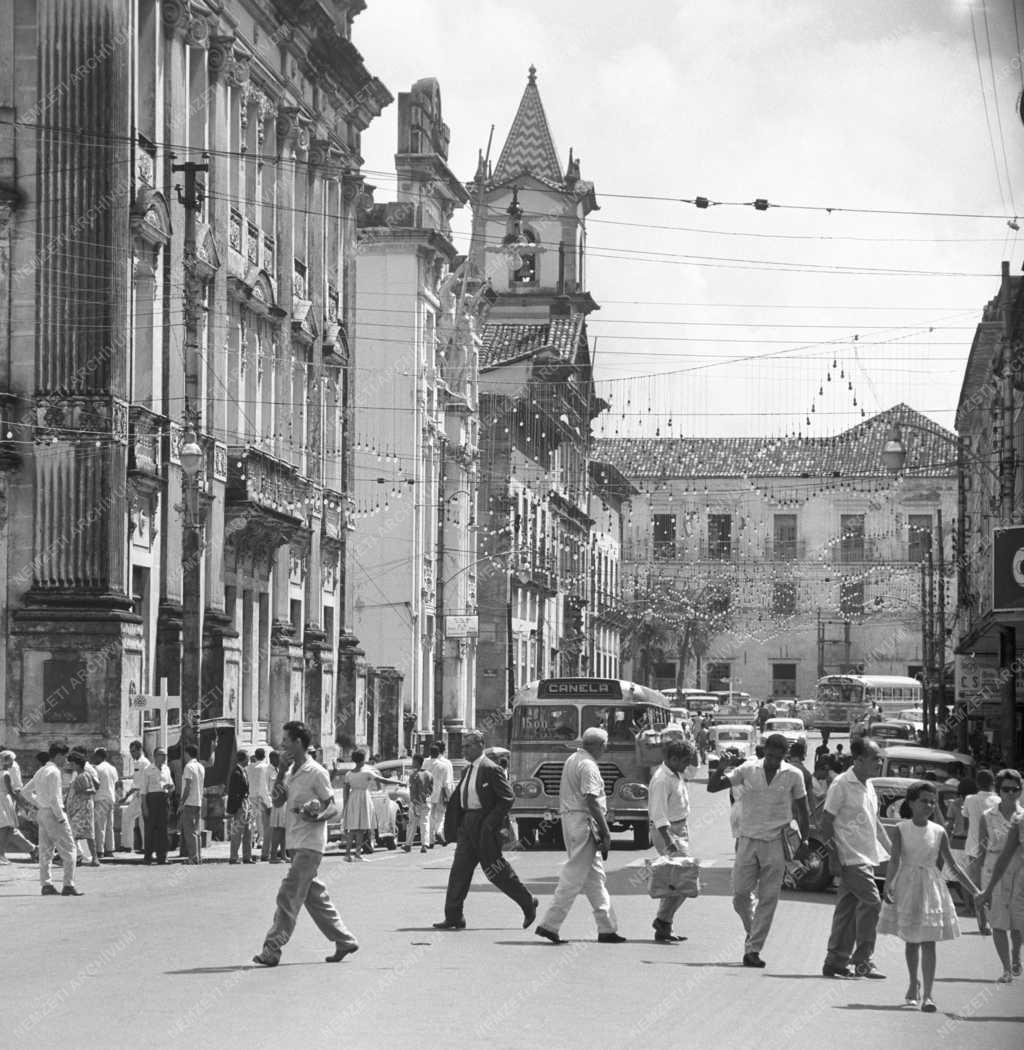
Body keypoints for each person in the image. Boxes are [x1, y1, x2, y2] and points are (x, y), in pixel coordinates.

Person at [253, 720, 359, 967]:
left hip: (310, 844)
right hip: (295, 842)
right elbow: (278, 802)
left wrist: (317, 815)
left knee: (288, 895)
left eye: (286, 741)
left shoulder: (317, 772)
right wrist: (280, 771)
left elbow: (332, 806)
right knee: (315, 897)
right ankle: (344, 940)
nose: (282, 745)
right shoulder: (290, 773)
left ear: (298, 743)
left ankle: (272, 948)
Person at [708, 733, 809, 968]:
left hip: (776, 842)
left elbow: (803, 810)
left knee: (768, 898)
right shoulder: (748, 769)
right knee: (740, 895)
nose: (773, 761)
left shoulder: (794, 775)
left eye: (778, 757)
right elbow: (714, 787)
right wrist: (720, 768)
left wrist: (803, 842)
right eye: (770, 756)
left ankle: (753, 949)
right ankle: (752, 931)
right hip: (748, 839)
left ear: (785, 755)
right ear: (764, 752)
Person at [879, 780, 980, 1012]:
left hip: (931, 887)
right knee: (912, 940)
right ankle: (913, 982)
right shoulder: (901, 829)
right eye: (924, 801)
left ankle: (929, 995)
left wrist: (975, 890)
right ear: (912, 803)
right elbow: (894, 860)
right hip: (907, 884)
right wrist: (888, 886)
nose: (929, 806)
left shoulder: (939, 831)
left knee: (929, 940)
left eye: (932, 802)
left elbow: (952, 865)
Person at [434, 729, 537, 932]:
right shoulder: (467, 770)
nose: (464, 750)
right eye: (463, 746)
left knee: (495, 871)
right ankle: (454, 916)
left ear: (480, 745)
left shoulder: (491, 768)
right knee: (459, 872)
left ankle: (527, 902)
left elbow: (507, 798)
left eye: (468, 746)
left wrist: (490, 823)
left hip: (484, 825)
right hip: (468, 824)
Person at [534, 727, 620, 945]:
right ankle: (549, 924)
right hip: (583, 822)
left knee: (595, 878)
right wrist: (606, 831)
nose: (605, 749)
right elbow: (591, 800)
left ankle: (607, 928)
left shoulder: (573, 758)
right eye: (604, 745)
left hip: (573, 820)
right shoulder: (588, 765)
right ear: (597, 745)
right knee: (573, 877)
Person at [819, 737, 892, 979]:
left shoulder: (868, 784)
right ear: (859, 759)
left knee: (847, 911)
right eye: (875, 758)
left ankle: (835, 962)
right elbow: (826, 822)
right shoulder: (841, 784)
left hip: (866, 857)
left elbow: (875, 822)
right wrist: (833, 857)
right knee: (872, 903)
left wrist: (893, 851)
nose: (879, 762)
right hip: (849, 857)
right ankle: (863, 960)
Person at [975, 768, 1024, 982]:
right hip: (993, 868)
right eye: (1006, 789)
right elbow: (981, 850)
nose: (1011, 794)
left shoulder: (1022, 817)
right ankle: (1006, 968)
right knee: (997, 921)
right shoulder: (988, 816)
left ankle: (1016, 954)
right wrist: (980, 885)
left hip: (1019, 870)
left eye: (1016, 789)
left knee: (1017, 920)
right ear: (998, 790)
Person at [647, 739, 698, 944]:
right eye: (684, 761)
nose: (687, 765)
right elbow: (658, 815)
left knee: (677, 881)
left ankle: (664, 924)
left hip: (680, 828)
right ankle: (662, 921)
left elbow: (694, 771)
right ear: (672, 759)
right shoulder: (661, 779)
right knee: (684, 879)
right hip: (668, 832)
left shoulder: (676, 773)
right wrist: (670, 842)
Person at [21, 742, 81, 896]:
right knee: (69, 850)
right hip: (54, 813)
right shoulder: (54, 772)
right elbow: (54, 798)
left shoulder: (41, 771)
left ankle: (46, 884)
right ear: (58, 756)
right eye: (64, 757)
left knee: (45, 851)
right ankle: (68, 884)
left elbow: (26, 791)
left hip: (43, 812)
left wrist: (39, 803)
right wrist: (61, 817)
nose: (66, 761)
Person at [962, 769, 999, 934]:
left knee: (977, 887)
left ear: (977, 783)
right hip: (995, 849)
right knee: (993, 885)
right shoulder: (998, 800)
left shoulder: (970, 799)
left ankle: (983, 924)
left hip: (973, 848)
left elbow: (965, 818)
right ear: (993, 783)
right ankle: (994, 920)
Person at [343, 749, 395, 860]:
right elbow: (383, 780)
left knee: (352, 828)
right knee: (361, 828)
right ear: (363, 759)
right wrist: (398, 782)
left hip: (353, 799)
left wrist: (346, 805)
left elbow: (346, 790)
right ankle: (357, 854)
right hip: (363, 797)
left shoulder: (348, 774)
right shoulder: (367, 772)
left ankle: (347, 854)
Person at [0, 750, 37, 863]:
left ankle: (32, 849)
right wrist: (23, 804)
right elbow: (12, 791)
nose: (12, 764)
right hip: (5, 801)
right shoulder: (6, 774)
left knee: (8, 828)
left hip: (4, 801)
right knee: (7, 827)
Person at [65, 750, 100, 867]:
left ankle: (81, 857)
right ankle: (83, 857)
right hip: (80, 809)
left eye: (72, 763)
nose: (70, 766)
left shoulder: (83, 775)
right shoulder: (80, 775)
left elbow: (90, 791)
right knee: (85, 834)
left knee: (77, 834)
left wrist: (80, 791)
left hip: (81, 809)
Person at [140, 747, 173, 864]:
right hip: (152, 800)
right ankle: (148, 856)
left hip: (163, 799)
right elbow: (143, 790)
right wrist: (145, 807)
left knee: (163, 829)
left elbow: (171, 785)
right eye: (161, 755)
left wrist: (169, 788)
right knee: (150, 829)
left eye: (165, 755)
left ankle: (162, 856)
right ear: (155, 756)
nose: (164, 757)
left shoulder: (166, 769)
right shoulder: (148, 770)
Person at [120, 740, 150, 853]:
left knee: (128, 817)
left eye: (133, 751)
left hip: (141, 795)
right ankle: (144, 847)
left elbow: (138, 783)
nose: (132, 754)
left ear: (139, 750)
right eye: (131, 752)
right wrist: (126, 777)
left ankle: (127, 845)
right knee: (142, 822)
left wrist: (126, 796)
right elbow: (136, 777)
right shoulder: (140, 762)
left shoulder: (143, 763)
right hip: (141, 794)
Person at [227, 750, 254, 864]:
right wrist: (237, 808)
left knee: (248, 831)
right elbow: (234, 792)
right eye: (247, 758)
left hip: (246, 802)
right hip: (240, 805)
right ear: (243, 759)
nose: (249, 760)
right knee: (238, 832)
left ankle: (247, 856)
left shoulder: (244, 771)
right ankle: (234, 856)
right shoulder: (236, 773)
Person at [179, 744, 205, 864]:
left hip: (189, 802)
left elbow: (188, 786)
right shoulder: (200, 766)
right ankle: (198, 856)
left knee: (189, 832)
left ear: (187, 753)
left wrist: (181, 802)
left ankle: (193, 857)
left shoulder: (188, 767)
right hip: (198, 801)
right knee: (196, 831)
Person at [92, 747, 118, 859]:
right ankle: (110, 849)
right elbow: (116, 782)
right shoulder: (112, 768)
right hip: (110, 798)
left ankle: (100, 850)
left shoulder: (97, 769)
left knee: (100, 826)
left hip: (100, 798)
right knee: (109, 826)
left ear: (99, 756)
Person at [403, 753, 433, 853]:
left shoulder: (413, 775)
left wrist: (413, 802)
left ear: (417, 762)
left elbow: (413, 790)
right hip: (426, 801)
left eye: (413, 761)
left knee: (412, 824)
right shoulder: (429, 774)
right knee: (425, 823)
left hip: (416, 802)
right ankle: (425, 844)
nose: (412, 763)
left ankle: (408, 844)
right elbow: (431, 789)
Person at [249, 748, 273, 861]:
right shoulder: (265, 767)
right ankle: (260, 840)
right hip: (260, 795)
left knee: (252, 818)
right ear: (264, 756)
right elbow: (264, 784)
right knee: (261, 820)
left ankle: (252, 839)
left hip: (251, 794)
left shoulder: (250, 766)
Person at [267, 750, 287, 863]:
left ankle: (283, 855)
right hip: (277, 804)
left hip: (284, 804)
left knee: (283, 830)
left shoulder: (281, 771)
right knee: (277, 830)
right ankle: (273, 855)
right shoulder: (268, 770)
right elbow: (267, 789)